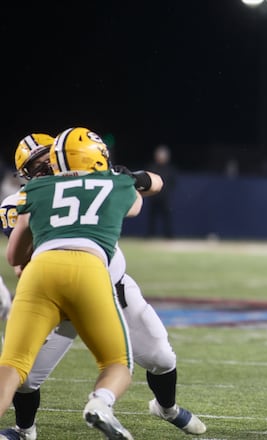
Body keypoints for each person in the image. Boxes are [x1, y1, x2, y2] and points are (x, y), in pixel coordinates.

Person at [0, 133, 206, 439]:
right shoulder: (21, 201)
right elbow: (19, 263)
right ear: (25, 174)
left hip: (111, 290)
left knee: (162, 358)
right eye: (36, 164)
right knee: (27, 379)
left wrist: (128, 176)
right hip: (64, 300)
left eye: (46, 157)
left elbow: (148, 182)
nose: (44, 166)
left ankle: (167, 408)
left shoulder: (90, 180)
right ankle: (25, 429)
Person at [145, 144, 176, 238]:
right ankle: (150, 236)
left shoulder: (170, 169)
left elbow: (173, 182)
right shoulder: (152, 167)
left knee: (166, 218)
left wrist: (166, 191)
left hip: (164, 198)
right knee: (152, 218)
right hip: (153, 197)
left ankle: (169, 236)